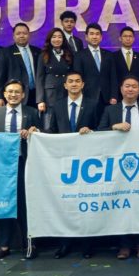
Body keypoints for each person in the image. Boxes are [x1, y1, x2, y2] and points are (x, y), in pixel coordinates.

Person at [98, 76, 139, 261]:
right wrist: (114, 127)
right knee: (121, 205)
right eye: (127, 86)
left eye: (134, 87)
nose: (130, 89)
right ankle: (124, 245)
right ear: (121, 89)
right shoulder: (110, 110)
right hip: (117, 166)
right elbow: (98, 132)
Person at [44, 70, 100, 260]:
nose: (74, 84)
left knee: (86, 202)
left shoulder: (93, 104)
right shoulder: (58, 105)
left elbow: (101, 129)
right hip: (64, 161)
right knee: (65, 203)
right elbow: (52, 131)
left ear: (83, 84)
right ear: (65, 85)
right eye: (71, 81)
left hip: (88, 163)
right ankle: (65, 244)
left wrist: (91, 131)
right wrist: (38, 134)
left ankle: (87, 244)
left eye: (77, 81)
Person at [0, 80, 42, 260]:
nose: (13, 95)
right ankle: (4, 246)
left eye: (17, 92)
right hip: (2, 167)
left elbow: (42, 133)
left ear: (23, 95)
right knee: (4, 204)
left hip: (24, 163)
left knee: (26, 205)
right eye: (10, 91)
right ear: (4, 94)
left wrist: (34, 130)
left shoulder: (31, 112)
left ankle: (30, 244)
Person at [0, 22, 42, 107]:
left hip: (36, 95)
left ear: (29, 35)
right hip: (16, 95)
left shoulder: (37, 52)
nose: (22, 36)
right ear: (13, 36)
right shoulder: (5, 53)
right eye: (18, 33)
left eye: (24, 33)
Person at [72, 22, 118, 108]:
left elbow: (113, 77)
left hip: (107, 98)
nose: (94, 37)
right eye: (92, 34)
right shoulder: (79, 56)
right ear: (86, 37)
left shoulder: (109, 55)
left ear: (101, 37)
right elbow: (78, 78)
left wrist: (114, 95)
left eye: (97, 34)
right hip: (87, 97)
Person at [35, 27, 75, 114]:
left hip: (66, 92)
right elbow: (39, 78)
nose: (57, 39)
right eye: (54, 37)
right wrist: (40, 100)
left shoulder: (69, 54)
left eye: (60, 37)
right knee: (49, 119)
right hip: (50, 94)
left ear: (63, 39)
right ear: (49, 39)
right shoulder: (43, 55)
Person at [112, 26, 139, 94]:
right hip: (118, 94)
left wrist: (138, 88)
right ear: (120, 38)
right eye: (125, 36)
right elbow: (112, 77)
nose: (128, 38)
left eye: (130, 36)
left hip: (138, 94)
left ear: (134, 39)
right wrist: (122, 89)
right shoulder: (113, 57)